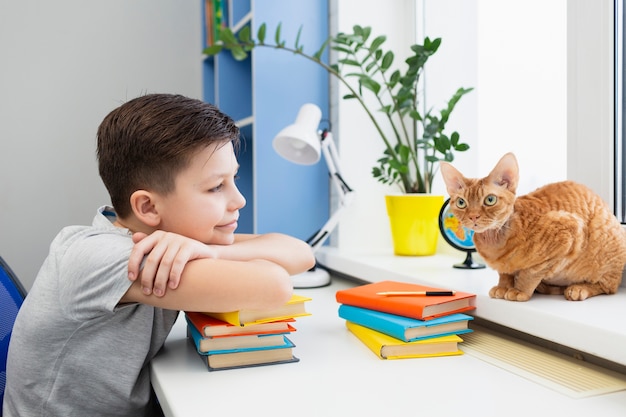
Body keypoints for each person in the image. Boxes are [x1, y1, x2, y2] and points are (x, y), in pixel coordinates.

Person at [3, 93, 315, 417]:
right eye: (215, 187)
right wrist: (218, 254)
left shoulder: (182, 239)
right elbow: (274, 285)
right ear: (149, 207)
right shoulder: (107, 255)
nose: (239, 200)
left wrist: (210, 251)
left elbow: (300, 253)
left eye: (233, 179)